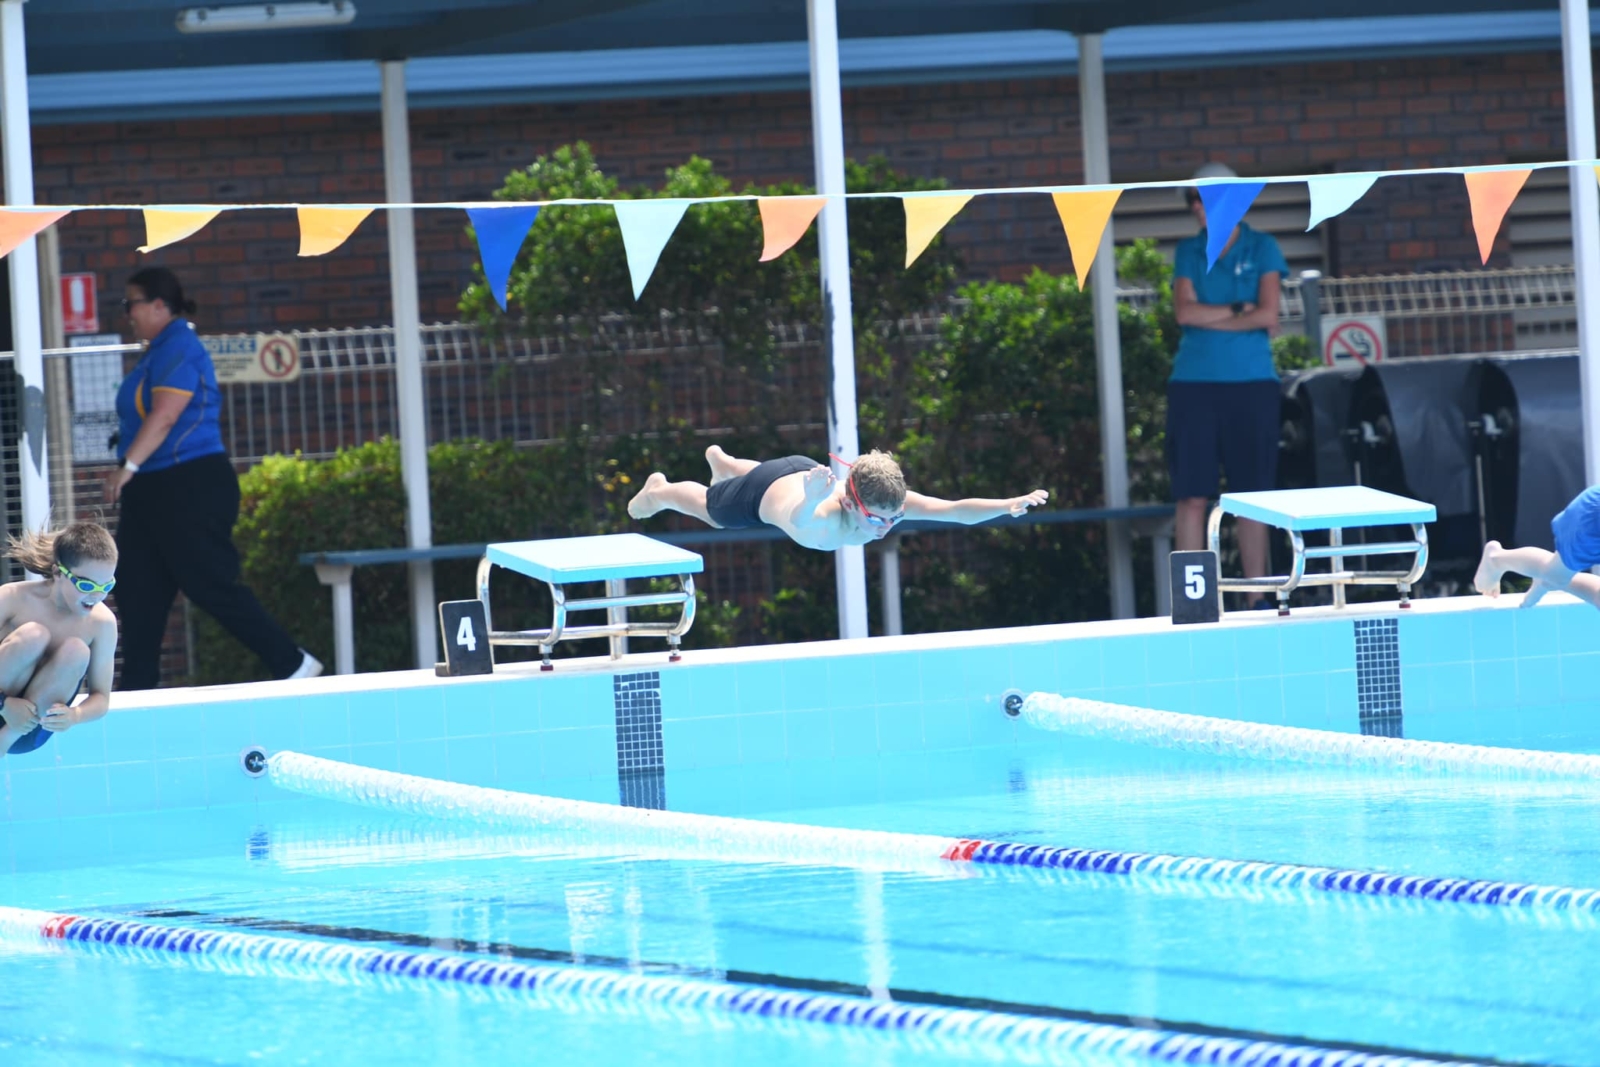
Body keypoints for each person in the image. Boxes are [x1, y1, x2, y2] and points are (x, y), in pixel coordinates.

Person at [108, 266, 322, 689]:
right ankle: (136, 693)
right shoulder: (156, 351)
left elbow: (166, 416)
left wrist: (126, 467)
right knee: (137, 593)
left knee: (208, 582)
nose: (127, 313)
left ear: (158, 305)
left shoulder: (180, 347)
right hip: (151, 494)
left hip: (189, 484)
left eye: (130, 303)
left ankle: (293, 663)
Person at [1168, 162, 1289, 604]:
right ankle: (1192, 599)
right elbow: (1184, 313)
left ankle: (1257, 598)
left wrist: (1214, 312)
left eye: (1209, 198)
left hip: (1252, 384)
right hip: (1193, 385)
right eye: (1194, 199)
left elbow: (1269, 314)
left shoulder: (1263, 247)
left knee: (1252, 496)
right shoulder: (1187, 250)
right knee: (1192, 495)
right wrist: (1240, 308)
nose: (1199, 207)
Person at [627, 446, 1048, 549]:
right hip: (776, 493)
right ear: (850, 503)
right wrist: (812, 498)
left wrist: (1007, 504)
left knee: (749, 475)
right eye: (879, 520)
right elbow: (800, 518)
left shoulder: (888, 505)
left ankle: (727, 463)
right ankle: (660, 490)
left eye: (894, 517)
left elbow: (955, 511)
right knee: (711, 509)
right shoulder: (827, 516)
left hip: (797, 471)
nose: (888, 527)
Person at [0, 523, 118, 757]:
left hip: (28, 732)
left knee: (77, 650)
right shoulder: (11, 598)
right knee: (32, 635)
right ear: (58, 573)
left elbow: (101, 699)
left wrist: (75, 716)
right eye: (86, 585)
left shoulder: (102, 624)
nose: (96, 596)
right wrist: (4, 705)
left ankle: (3, 741)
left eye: (107, 586)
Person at [1474, 486, 1600, 609]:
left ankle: (1545, 576)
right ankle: (1496, 559)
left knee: (1555, 576)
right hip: (1593, 520)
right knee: (1555, 576)